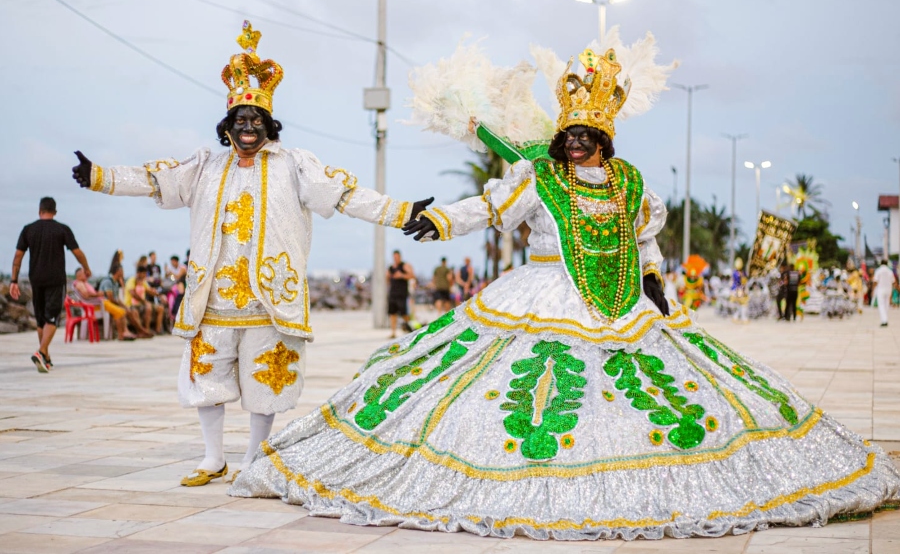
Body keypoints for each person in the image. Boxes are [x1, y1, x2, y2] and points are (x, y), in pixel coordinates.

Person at [232, 34, 900, 539]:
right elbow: (489, 208)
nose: (576, 143)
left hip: (621, 301)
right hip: (537, 292)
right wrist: (437, 219)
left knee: (644, 399)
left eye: (586, 134)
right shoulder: (535, 179)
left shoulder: (632, 183)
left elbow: (643, 238)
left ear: (604, 136)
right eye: (569, 134)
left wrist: (656, 282)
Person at [71, 21, 432, 487]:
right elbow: (156, 179)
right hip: (212, 299)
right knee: (208, 379)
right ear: (227, 127)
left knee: (267, 383)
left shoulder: (295, 165)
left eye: (255, 121)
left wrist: (399, 212)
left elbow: (344, 194)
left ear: (269, 126)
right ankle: (212, 457)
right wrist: (101, 176)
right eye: (240, 121)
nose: (247, 128)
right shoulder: (205, 165)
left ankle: (253, 458)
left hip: (269, 299)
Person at [10, 197, 92, 372]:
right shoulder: (62, 229)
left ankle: (45, 356)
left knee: (41, 320)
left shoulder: (28, 230)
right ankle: (41, 352)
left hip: (36, 279)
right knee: (52, 318)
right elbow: (77, 252)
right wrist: (86, 268)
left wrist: (14, 281)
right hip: (55, 280)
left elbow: (18, 257)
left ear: (40, 211)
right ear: (54, 212)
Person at [72, 267, 136, 341]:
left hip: (99, 303)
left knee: (121, 311)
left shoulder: (84, 283)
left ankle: (123, 333)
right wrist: (98, 294)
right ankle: (122, 334)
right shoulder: (79, 284)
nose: (86, 274)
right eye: (84, 273)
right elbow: (86, 295)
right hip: (96, 306)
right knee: (120, 311)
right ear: (79, 275)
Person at [99, 264, 153, 339]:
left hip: (111, 304)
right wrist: (123, 306)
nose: (123, 273)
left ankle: (139, 331)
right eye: (122, 271)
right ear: (119, 271)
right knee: (123, 311)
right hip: (103, 304)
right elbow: (110, 299)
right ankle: (126, 333)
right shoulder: (108, 281)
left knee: (129, 311)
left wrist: (123, 305)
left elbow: (116, 298)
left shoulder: (116, 283)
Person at [125, 266, 165, 334]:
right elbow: (133, 294)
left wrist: (161, 296)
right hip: (132, 304)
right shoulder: (131, 280)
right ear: (139, 273)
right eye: (144, 273)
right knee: (148, 307)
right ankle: (146, 330)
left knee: (160, 308)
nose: (145, 275)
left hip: (142, 304)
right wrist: (144, 302)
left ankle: (158, 330)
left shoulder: (143, 282)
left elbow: (150, 291)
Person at [387, 250, 414, 338]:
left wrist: (402, 275)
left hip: (402, 293)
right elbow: (387, 277)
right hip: (393, 293)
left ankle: (408, 328)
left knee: (404, 313)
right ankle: (393, 332)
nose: (395, 259)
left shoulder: (404, 265)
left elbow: (412, 275)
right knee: (392, 313)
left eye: (397, 257)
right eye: (394, 257)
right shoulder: (391, 267)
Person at [873, 260, 896, 327]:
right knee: (886, 304)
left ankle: (884, 320)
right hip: (888, 289)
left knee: (881, 305)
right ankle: (885, 319)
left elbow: (875, 281)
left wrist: (873, 289)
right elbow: (893, 281)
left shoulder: (878, 270)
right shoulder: (890, 271)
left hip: (880, 289)